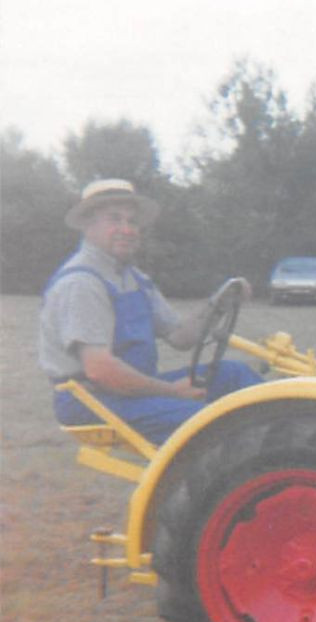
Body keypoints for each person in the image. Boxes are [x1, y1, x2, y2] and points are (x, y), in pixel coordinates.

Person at [40, 179, 261, 444]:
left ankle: (287, 442)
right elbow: (100, 370)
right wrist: (172, 392)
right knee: (208, 424)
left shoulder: (134, 278)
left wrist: (220, 302)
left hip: (131, 391)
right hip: (92, 399)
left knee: (234, 374)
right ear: (89, 225)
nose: (126, 229)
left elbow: (180, 336)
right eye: (115, 219)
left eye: (132, 222)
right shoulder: (81, 283)